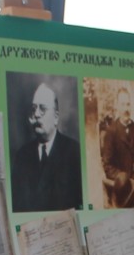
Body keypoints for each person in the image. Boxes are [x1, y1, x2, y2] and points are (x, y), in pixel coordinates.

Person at [10, 82, 82, 213]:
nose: (36, 114)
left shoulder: (74, 152)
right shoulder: (22, 156)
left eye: (42, 109)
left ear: (56, 117)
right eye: (34, 109)